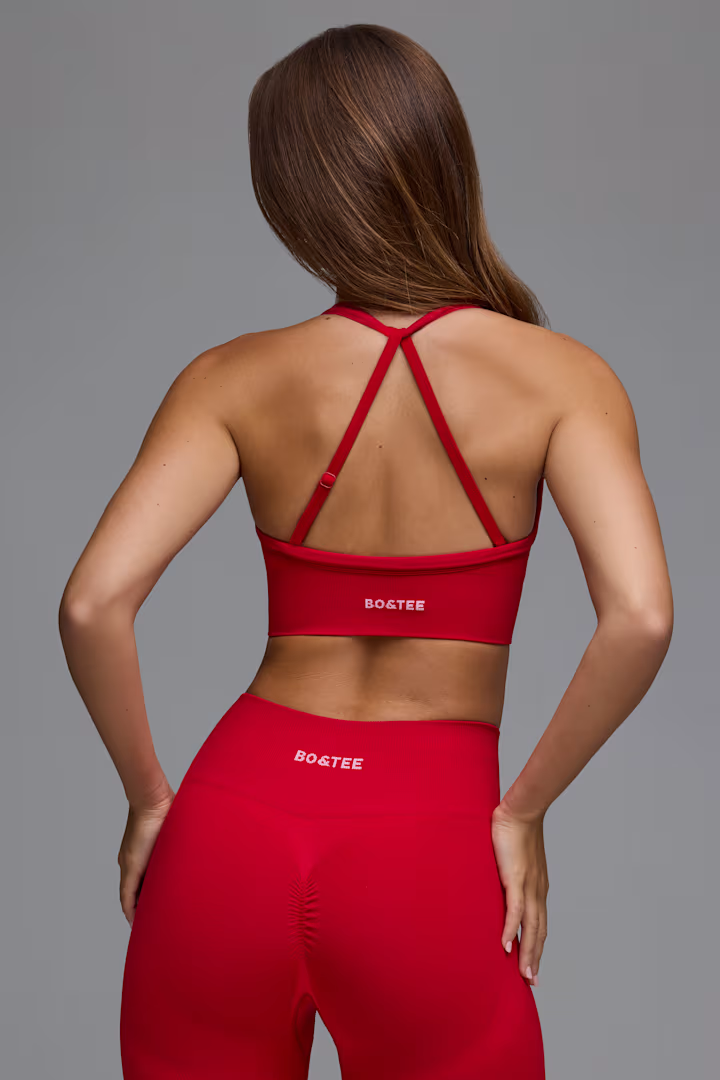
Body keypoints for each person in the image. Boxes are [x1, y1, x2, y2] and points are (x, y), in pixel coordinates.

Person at [58, 23, 673, 1080]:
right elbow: (642, 618)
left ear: (295, 196)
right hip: (426, 847)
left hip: (231, 831)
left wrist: (150, 800)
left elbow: (91, 604)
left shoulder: (230, 378)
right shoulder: (564, 379)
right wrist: (525, 811)